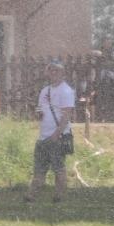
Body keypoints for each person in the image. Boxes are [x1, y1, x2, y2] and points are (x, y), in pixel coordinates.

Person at [27, 61, 76, 204]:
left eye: (56, 70)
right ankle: (31, 196)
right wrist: (37, 113)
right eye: (51, 70)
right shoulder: (45, 91)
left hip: (57, 137)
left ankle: (59, 196)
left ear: (62, 73)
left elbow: (66, 115)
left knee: (58, 168)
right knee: (39, 169)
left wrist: (56, 134)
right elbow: (40, 110)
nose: (53, 73)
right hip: (43, 137)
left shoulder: (66, 91)